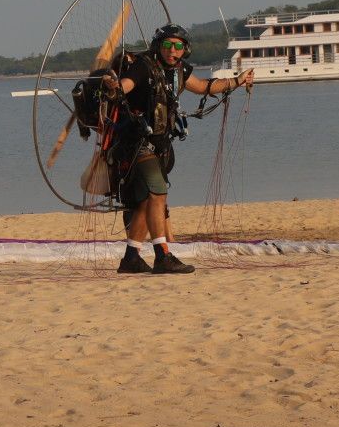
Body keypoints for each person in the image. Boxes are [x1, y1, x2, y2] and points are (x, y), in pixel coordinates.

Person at [102, 24, 254, 274]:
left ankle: (130, 258)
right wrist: (113, 86)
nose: (172, 50)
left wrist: (237, 81)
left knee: (143, 203)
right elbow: (125, 85)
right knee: (157, 195)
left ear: (185, 50)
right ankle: (162, 256)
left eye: (178, 46)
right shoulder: (143, 66)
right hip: (137, 144)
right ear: (157, 46)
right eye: (167, 45)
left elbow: (204, 86)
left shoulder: (180, 71)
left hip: (161, 145)